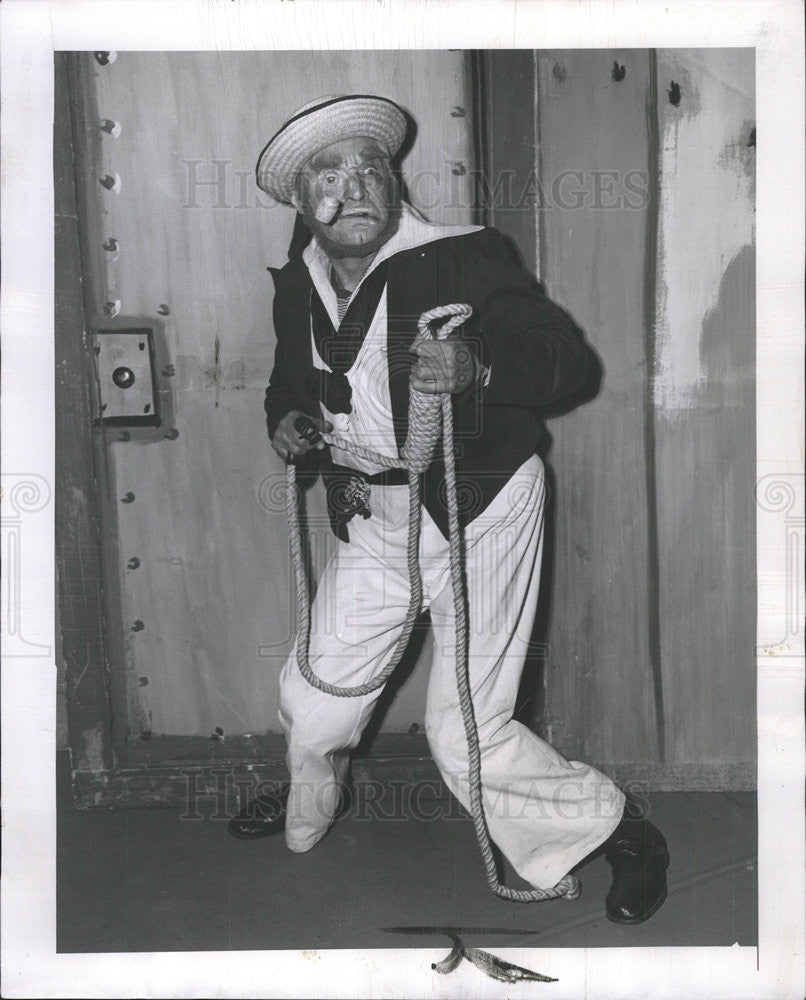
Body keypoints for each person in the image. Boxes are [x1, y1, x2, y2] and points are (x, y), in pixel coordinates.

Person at [228, 93, 669, 924]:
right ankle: (320, 799)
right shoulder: (299, 286)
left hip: (480, 506)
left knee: (465, 732)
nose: (356, 186)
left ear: (395, 183)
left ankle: (614, 831)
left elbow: (564, 360)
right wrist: (285, 422)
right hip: (373, 512)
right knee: (313, 701)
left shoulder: (464, 257)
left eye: (372, 168)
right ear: (300, 200)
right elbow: (290, 383)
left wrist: (477, 364)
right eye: (331, 170)